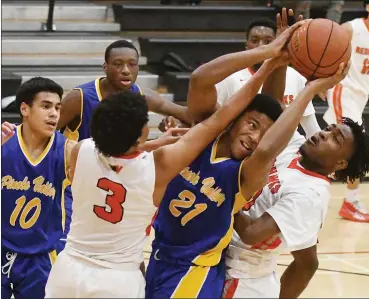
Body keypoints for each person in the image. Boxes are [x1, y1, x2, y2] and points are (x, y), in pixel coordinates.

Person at [44, 24, 307, 296]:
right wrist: (288, 73)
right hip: (128, 272)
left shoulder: (83, 150)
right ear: (140, 137)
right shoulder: (156, 165)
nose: (255, 137)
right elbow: (218, 111)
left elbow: (47, 143)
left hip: (82, 268)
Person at [222, 116, 369, 298]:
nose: (324, 134)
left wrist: (218, 190)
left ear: (340, 163)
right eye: (328, 129)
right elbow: (278, 109)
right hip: (221, 257)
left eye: (336, 139)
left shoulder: (310, 195)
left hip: (241, 279)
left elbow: (251, 232)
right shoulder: (295, 147)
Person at [1, 77, 74, 299]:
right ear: (24, 108)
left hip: (42, 254)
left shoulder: (67, 150)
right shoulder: (4, 141)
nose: (54, 114)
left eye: (58, 108)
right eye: (45, 106)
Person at [324, 0, 369, 222]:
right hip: (341, 90)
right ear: (368, 7)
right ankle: (351, 202)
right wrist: (324, 81)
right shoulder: (350, 28)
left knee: (326, 144)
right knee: (356, 143)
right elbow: (328, 54)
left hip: (361, 95)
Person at [57, 39, 192, 142]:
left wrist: (177, 124)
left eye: (132, 64)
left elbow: (188, 115)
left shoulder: (142, 96)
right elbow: (42, 133)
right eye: (118, 64)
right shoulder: (79, 98)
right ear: (106, 67)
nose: (126, 71)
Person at [216, 16, 321, 138]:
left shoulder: (295, 77)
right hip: (246, 149)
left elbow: (311, 129)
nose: (261, 46)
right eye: (254, 41)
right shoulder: (230, 79)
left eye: (268, 42)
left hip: (287, 150)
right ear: (246, 45)